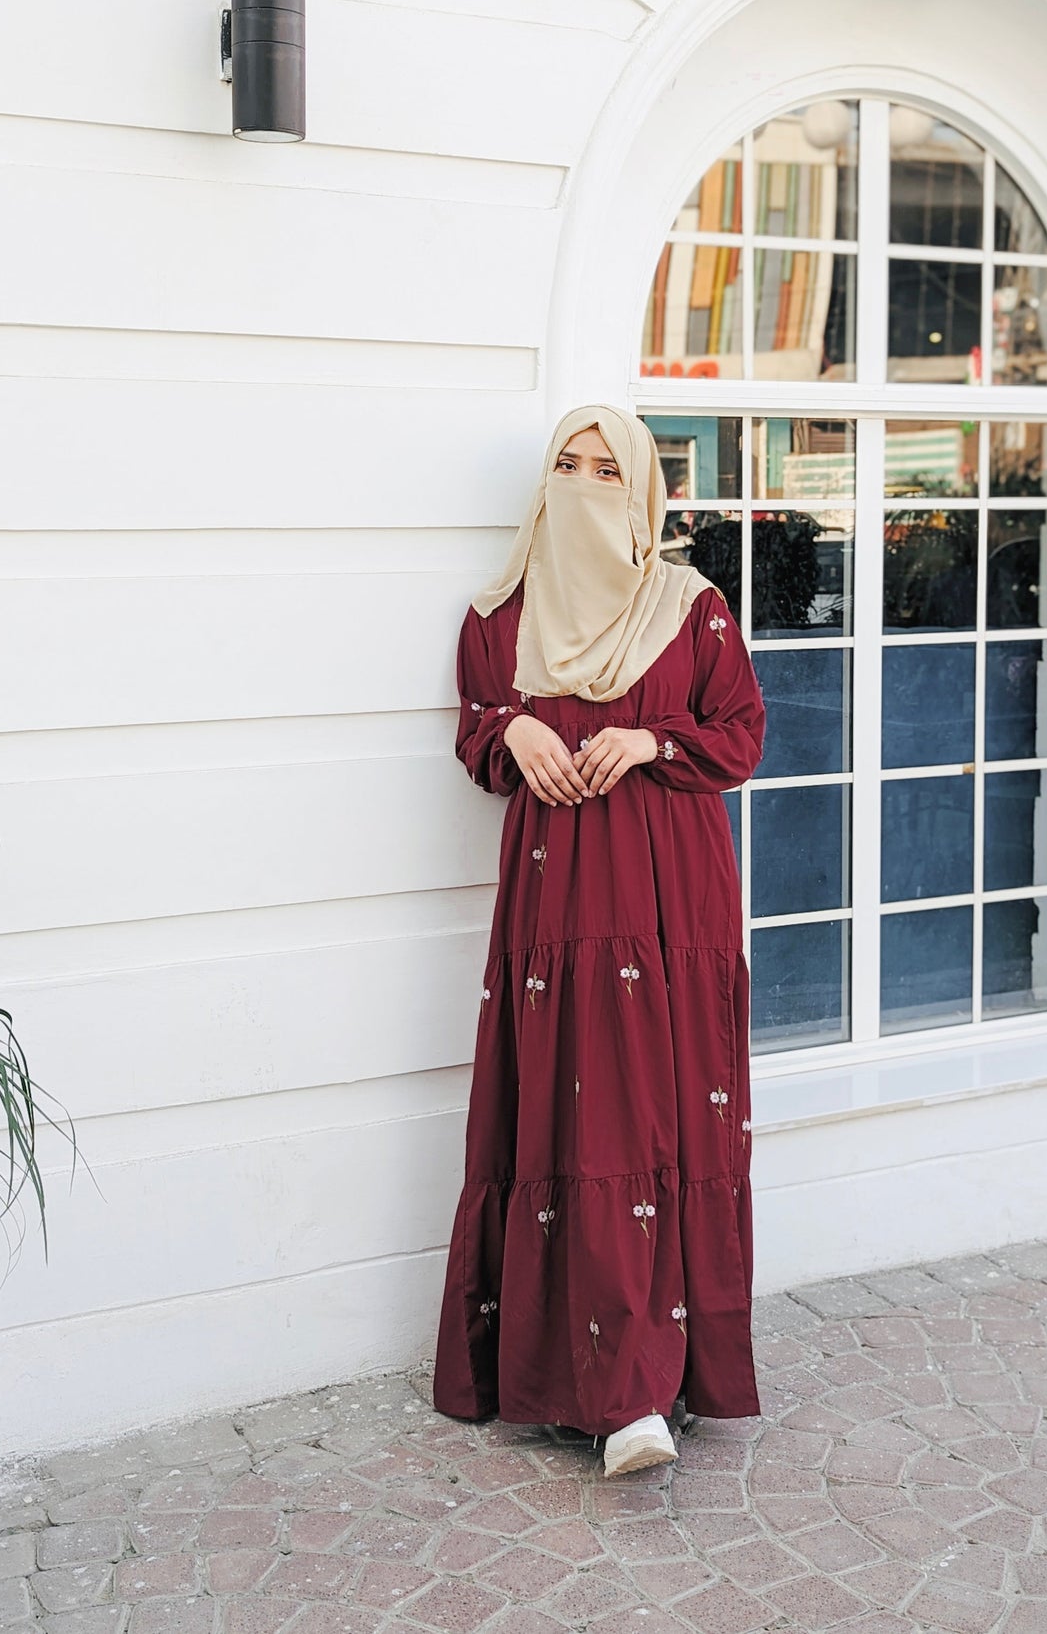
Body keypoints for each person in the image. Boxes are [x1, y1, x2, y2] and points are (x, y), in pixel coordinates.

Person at [431, 403, 767, 1477]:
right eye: (566, 464)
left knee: (646, 1116)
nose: (583, 482)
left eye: (606, 466)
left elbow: (740, 732)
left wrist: (644, 738)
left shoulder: (690, 607)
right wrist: (514, 725)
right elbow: (477, 729)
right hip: (556, 911)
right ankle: (566, 1378)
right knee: (571, 1117)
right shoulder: (498, 617)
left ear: (642, 491)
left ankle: (639, 1391)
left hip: (669, 900)